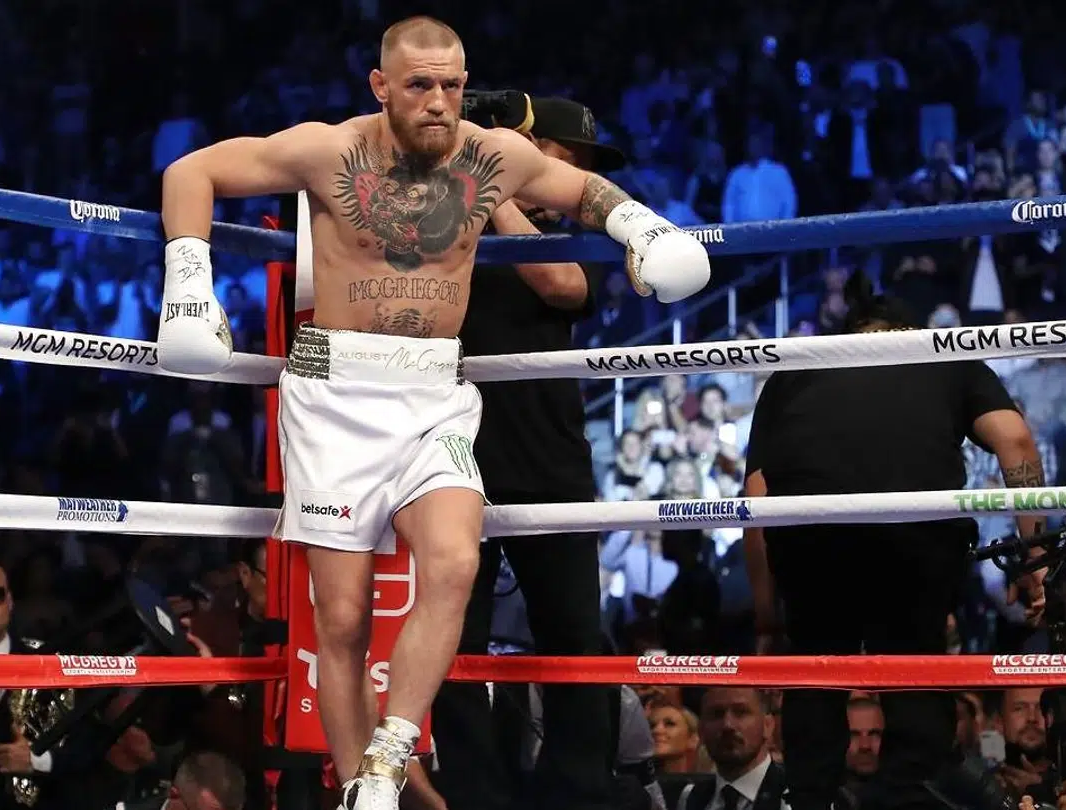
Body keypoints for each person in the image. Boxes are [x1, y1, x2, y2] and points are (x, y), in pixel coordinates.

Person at [157, 16, 711, 810]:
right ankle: (361, 791)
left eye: (452, 85)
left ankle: (388, 756)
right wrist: (188, 282)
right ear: (382, 86)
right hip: (334, 393)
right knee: (341, 620)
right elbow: (192, 170)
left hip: (433, 393)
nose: (439, 102)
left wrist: (643, 229)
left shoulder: (491, 157)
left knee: (453, 562)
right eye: (420, 85)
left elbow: (582, 190)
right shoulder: (330, 150)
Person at [743, 274, 1048, 810]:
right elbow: (1015, 440)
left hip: (815, 548)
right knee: (914, 679)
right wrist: (1034, 558)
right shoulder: (942, 355)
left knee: (817, 679)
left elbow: (757, 497)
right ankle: (908, 795)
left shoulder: (797, 367)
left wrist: (767, 618)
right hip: (915, 546)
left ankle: (812, 798)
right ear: (911, 328)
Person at [431, 95, 628, 810]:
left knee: (573, 632)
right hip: (454, 458)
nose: (570, 181)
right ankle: (471, 794)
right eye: (563, 162)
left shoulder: (577, 238)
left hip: (550, 460)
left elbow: (562, 286)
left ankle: (579, 790)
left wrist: (496, 189)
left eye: (577, 170)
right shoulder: (447, 218)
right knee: (454, 637)